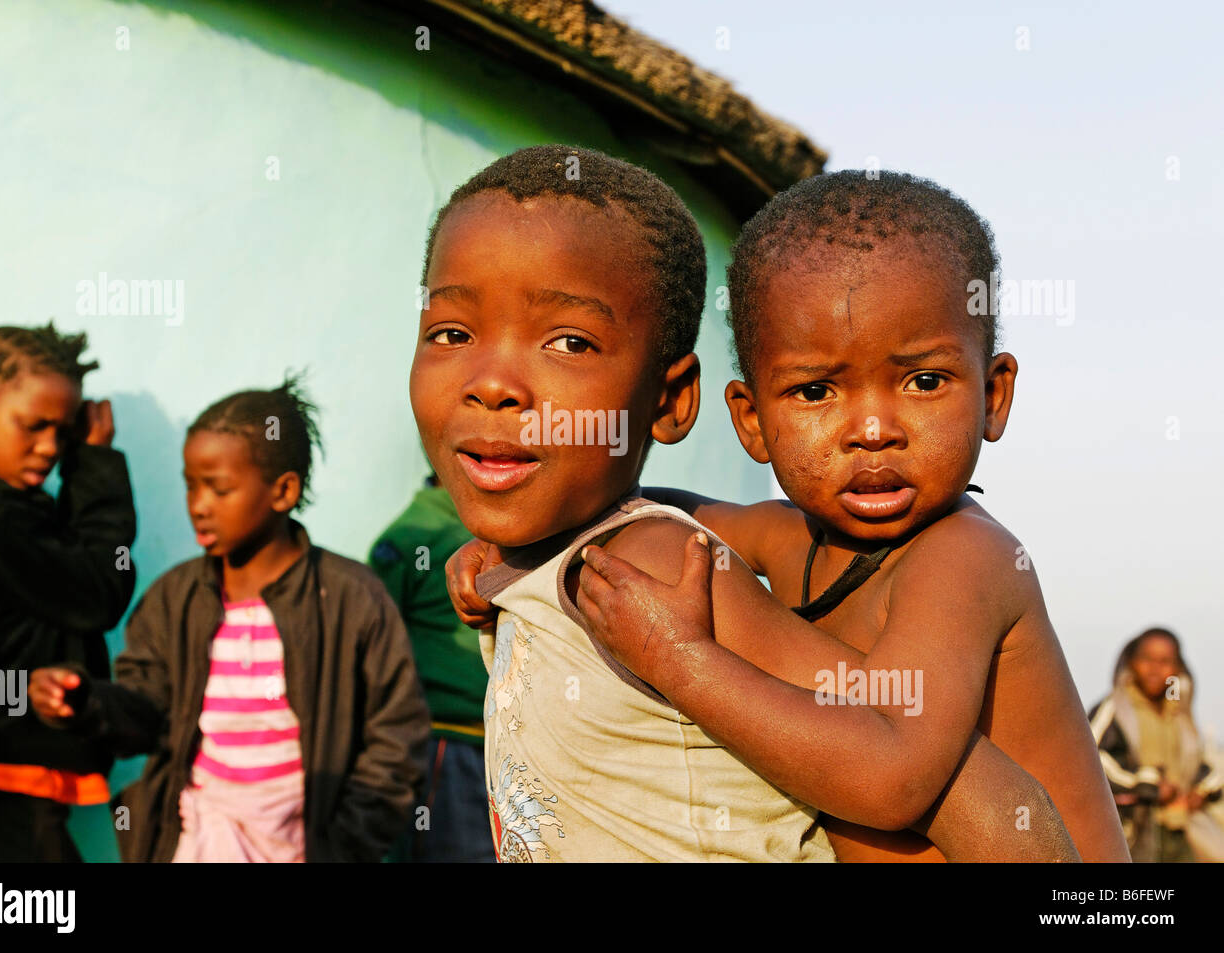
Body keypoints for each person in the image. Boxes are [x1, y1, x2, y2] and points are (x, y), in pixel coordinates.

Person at [418, 145, 1075, 862]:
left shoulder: (963, 556)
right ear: (752, 420)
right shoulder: (780, 535)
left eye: (922, 381)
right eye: (451, 333)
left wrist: (680, 659)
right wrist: (522, 550)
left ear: (994, 394)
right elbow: (666, 505)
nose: (872, 430)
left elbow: (946, 787)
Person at [30, 376, 430, 862]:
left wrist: (339, 846)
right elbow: (146, 712)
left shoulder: (351, 599)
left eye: (219, 489)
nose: (198, 506)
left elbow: (396, 740)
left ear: (282, 491)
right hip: (198, 843)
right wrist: (86, 701)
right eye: (191, 485)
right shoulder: (174, 600)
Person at [0, 322, 135, 861]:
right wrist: (96, 463)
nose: (49, 447)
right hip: (8, 775)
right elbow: (100, 590)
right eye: (33, 425)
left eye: (63, 433)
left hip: (11, 768)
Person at [369, 473, 493, 862]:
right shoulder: (407, 539)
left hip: (506, 749)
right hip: (446, 742)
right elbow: (371, 649)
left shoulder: (511, 531)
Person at [1090, 627, 1224, 862]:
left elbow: (1198, 761)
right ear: (1132, 662)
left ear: (1178, 668)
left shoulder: (1180, 712)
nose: (1155, 668)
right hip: (1133, 831)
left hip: (1180, 830)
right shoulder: (1116, 708)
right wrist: (1147, 784)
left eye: (1165, 661)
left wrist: (1200, 792)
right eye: (1147, 659)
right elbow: (1091, 757)